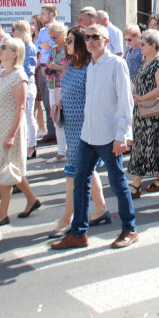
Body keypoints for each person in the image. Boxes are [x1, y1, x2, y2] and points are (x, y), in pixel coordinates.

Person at [52, 24, 138, 250]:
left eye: (95, 37)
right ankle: (79, 233)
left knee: (118, 183)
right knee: (80, 182)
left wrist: (122, 135)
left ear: (106, 41)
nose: (90, 40)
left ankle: (129, 228)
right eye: (88, 37)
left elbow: (125, 103)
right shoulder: (91, 65)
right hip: (87, 135)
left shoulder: (116, 64)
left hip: (109, 135)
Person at [47, 26, 109, 238]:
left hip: (83, 128)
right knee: (86, 172)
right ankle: (100, 209)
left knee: (72, 174)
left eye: (70, 41)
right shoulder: (71, 65)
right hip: (71, 125)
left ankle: (67, 219)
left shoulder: (89, 67)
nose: (66, 44)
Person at [0, 38, 40, 225]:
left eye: (4, 48)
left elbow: (20, 108)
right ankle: (32, 199)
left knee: (6, 169)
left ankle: (2, 214)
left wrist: (11, 135)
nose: (0, 50)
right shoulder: (0, 73)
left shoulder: (19, 76)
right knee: (10, 167)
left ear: (15, 53)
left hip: (12, 126)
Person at [128, 29, 159, 197]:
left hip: (152, 110)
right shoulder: (146, 60)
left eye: (143, 45)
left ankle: (136, 183)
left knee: (145, 145)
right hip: (141, 109)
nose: (140, 47)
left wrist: (142, 98)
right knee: (150, 143)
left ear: (153, 45)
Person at [42, 22, 71, 164]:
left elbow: (70, 67)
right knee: (56, 118)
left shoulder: (68, 49)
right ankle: (61, 151)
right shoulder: (53, 49)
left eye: (55, 37)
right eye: (51, 37)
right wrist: (48, 68)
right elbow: (48, 63)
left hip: (63, 85)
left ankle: (68, 151)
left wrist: (56, 67)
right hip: (52, 84)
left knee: (65, 118)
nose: (53, 40)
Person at [11, 20, 40, 159]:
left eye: (14, 29)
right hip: (19, 83)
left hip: (27, 84)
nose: (12, 32)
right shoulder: (20, 46)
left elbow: (29, 69)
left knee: (28, 116)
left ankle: (31, 146)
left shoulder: (29, 47)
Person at [33, 4, 59, 145]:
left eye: (43, 13)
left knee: (53, 100)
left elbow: (55, 45)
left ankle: (56, 130)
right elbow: (36, 45)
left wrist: (44, 45)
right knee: (45, 100)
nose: (41, 16)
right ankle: (51, 132)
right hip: (42, 66)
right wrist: (40, 46)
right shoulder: (43, 31)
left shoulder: (57, 29)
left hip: (52, 67)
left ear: (51, 15)